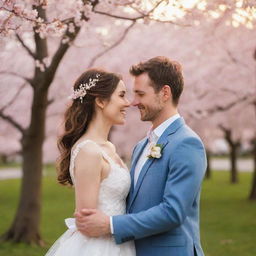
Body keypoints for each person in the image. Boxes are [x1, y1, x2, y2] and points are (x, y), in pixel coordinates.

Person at [75, 56, 207, 256]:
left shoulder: (186, 143)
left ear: (164, 93)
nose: (133, 102)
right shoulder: (141, 146)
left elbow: (173, 212)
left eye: (140, 94)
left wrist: (110, 224)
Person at [45, 69, 136, 255]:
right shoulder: (89, 151)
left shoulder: (108, 148)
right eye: (121, 95)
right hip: (101, 247)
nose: (128, 103)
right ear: (101, 101)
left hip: (120, 241)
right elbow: (86, 221)